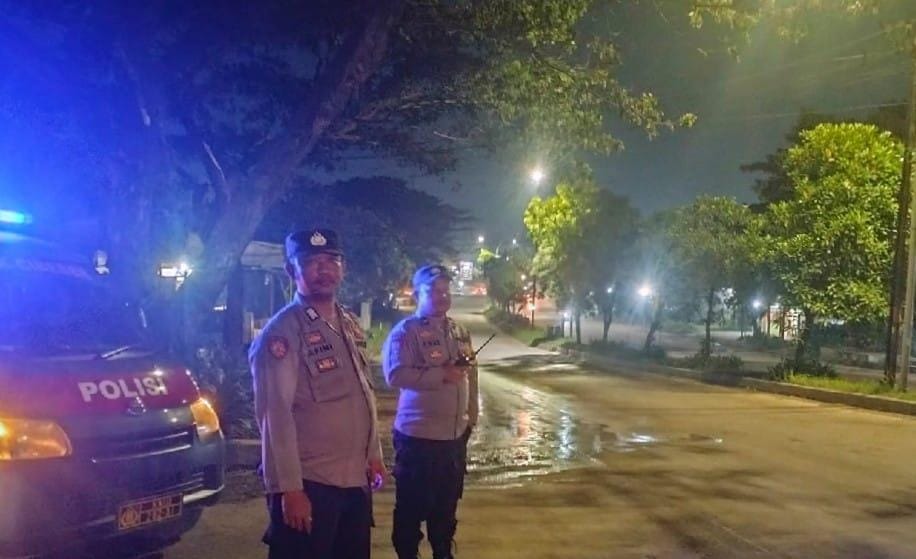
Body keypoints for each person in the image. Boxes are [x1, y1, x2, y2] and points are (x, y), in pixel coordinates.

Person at [250, 228, 386, 559]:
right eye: (311, 262)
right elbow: (275, 415)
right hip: (311, 484)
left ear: (343, 267)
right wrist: (289, 489)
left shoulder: (348, 324)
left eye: (331, 260)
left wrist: (374, 454)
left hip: (353, 482)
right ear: (291, 270)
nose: (323, 269)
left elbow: (362, 393)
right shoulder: (283, 332)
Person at [382, 264, 479, 559]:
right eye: (434, 290)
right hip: (418, 439)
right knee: (411, 511)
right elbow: (395, 375)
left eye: (446, 290)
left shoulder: (459, 331)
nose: (442, 296)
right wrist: (441, 375)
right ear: (417, 294)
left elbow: (471, 375)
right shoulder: (406, 332)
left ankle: (443, 552)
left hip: (453, 439)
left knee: (446, 511)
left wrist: (471, 416)